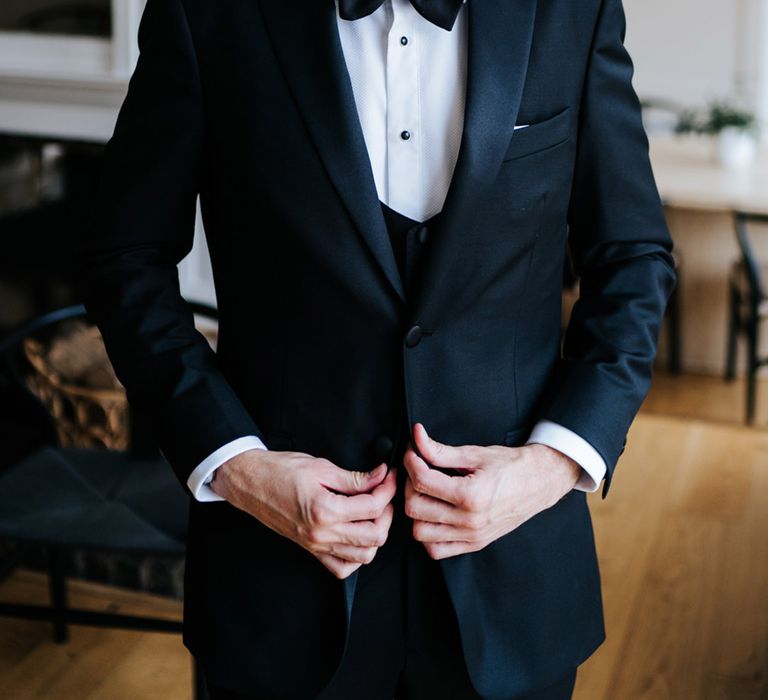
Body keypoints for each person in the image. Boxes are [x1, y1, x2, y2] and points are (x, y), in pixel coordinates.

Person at [78, 0, 677, 698]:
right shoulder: (204, 12)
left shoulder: (573, 9)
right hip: (276, 581)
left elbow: (633, 258)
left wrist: (551, 465)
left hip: (513, 578)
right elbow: (125, 258)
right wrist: (235, 465)